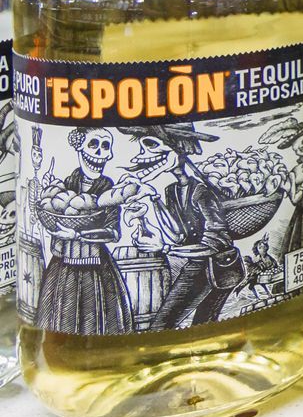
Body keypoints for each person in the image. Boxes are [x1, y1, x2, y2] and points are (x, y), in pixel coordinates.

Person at [36, 127, 134, 334]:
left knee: (99, 318)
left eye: (106, 147)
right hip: (63, 262)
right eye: (94, 145)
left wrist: (78, 235)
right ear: (79, 146)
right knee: (57, 316)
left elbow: (113, 233)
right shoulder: (67, 184)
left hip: (96, 264)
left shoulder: (108, 189)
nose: (100, 154)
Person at [146, 124, 242, 329]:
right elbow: (178, 234)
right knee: (204, 325)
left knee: (161, 326)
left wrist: (166, 249)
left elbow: (216, 242)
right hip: (196, 264)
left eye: (153, 145)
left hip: (217, 267)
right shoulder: (170, 191)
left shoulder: (202, 192)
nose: (145, 154)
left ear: (179, 149)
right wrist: (155, 202)